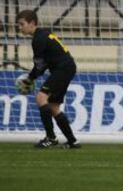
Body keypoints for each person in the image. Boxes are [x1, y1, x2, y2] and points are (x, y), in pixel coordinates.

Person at [16, 10, 80, 149]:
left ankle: (51, 138)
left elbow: (40, 66)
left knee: (41, 98)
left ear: (32, 23)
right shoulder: (43, 34)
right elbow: (42, 65)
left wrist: (29, 79)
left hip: (62, 69)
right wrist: (31, 77)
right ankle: (72, 141)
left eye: (22, 24)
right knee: (53, 106)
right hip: (66, 67)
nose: (20, 28)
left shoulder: (38, 39)